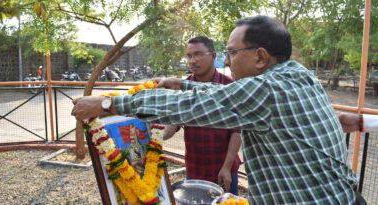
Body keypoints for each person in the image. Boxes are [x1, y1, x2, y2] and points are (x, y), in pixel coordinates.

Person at [72, 15, 359, 204]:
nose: (228, 60)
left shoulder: (264, 89)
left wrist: (108, 103)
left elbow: (193, 107)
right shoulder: (298, 74)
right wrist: (182, 85)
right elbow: (224, 95)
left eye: (232, 52)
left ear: (260, 57)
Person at [162, 36, 241, 195]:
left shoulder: (229, 86)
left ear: (213, 56)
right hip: (195, 171)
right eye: (189, 56)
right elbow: (172, 126)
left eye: (198, 54)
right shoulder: (183, 89)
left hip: (223, 171)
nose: (192, 61)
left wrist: (226, 167)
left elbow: (236, 131)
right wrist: (151, 133)